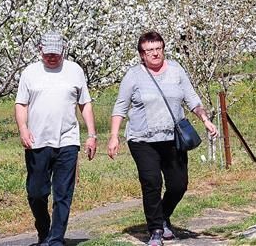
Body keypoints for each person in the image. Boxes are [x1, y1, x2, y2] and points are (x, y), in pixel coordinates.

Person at [107, 31, 220, 246]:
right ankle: (156, 229)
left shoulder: (176, 70)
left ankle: (163, 215)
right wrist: (114, 136)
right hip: (142, 139)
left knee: (179, 185)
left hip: (173, 138)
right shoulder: (134, 75)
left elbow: (192, 98)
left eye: (158, 48)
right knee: (152, 182)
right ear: (142, 54)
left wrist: (205, 119)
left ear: (163, 49)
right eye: (149, 50)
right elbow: (120, 107)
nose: (155, 53)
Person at [15, 32, 97, 246]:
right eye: (47, 53)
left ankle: (56, 238)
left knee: (63, 193)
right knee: (36, 192)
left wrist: (91, 135)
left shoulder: (74, 71)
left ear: (63, 50)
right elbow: (21, 104)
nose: (51, 57)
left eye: (56, 53)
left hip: (67, 141)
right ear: (40, 50)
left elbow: (85, 104)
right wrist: (23, 128)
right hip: (37, 141)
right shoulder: (30, 73)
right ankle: (44, 231)